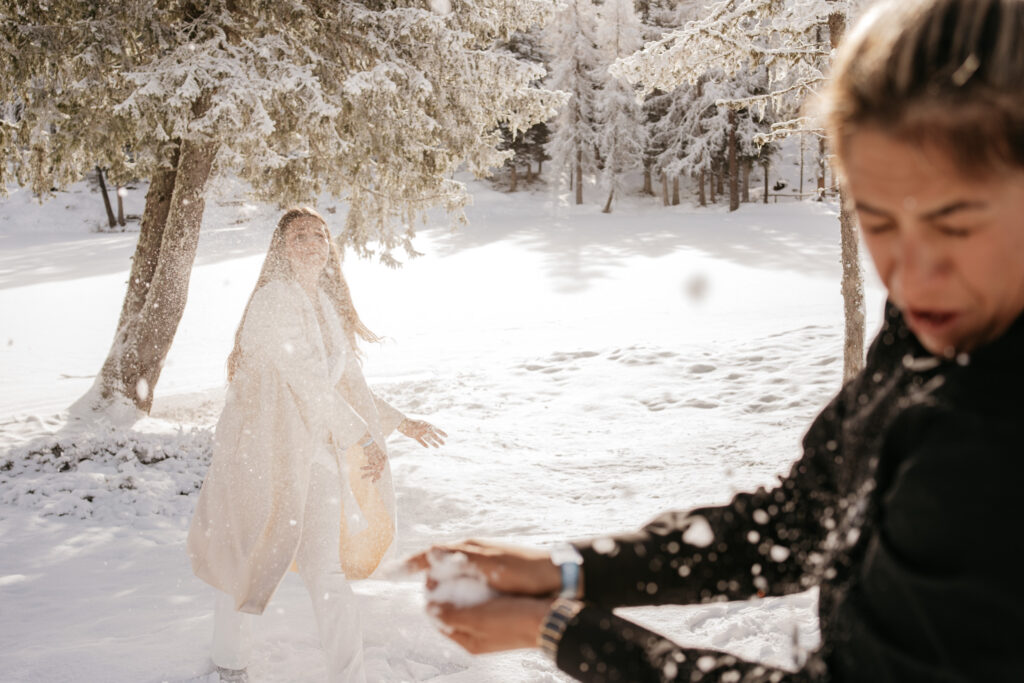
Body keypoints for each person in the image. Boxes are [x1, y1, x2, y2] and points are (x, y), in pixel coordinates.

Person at [410, 0, 1024, 680]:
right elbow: (799, 520)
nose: (909, 274)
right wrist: (570, 570)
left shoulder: (992, 440)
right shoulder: (939, 326)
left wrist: (556, 627)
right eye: (878, 220)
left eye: (955, 223)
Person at [187, 207, 447, 683]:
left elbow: (348, 384)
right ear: (282, 249)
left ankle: (351, 677)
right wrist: (362, 437)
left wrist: (398, 422)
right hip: (263, 454)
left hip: (317, 455)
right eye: (299, 235)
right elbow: (308, 382)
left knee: (325, 571)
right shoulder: (272, 302)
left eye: (318, 235)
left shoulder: (324, 308)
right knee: (245, 556)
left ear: (329, 248)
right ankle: (230, 666)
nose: (310, 242)